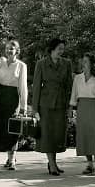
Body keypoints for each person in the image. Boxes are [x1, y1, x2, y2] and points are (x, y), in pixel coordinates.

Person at [33, 37, 73, 176]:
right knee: (48, 135)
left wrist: (70, 106)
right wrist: (35, 109)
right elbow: (37, 86)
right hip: (46, 104)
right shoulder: (41, 64)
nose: (61, 51)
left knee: (57, 135)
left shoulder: (67, 63)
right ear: (52, 49)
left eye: (63, 49)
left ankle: (53, 163)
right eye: (59, 49)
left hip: (61, 103)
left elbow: (70, 86)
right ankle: (52, 164)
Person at [69, 53, 95, 175]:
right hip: (82, 109)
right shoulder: (78, 78)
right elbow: (74, 94)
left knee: (94, 138)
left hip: (93, 109)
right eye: (83, 61)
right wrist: (71, 108)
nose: (83, 64)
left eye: (86, 61)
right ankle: (89, 164)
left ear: (92, 64)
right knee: (84, 136)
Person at [0, 39, 27, 170]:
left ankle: (12, 158)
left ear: (17, 51)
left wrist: (24, 106)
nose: (9, 51)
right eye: (7, 48)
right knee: (3, 126)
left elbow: (23, 86)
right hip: (1, 95)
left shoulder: (21, 65)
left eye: (12, 49)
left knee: (13, 126)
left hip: (13, 96)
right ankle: (8, 156)